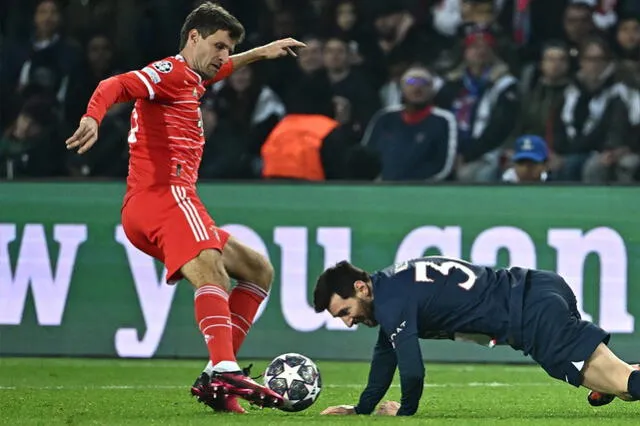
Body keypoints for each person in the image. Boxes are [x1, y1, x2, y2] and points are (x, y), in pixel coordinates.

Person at [64, 1, 305, 414]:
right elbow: (114, 85)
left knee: (257, 270)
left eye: (228, 49)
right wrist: (93, 117)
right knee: (212, 266)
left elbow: (221, 70)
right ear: (193, 37)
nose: (223, 57)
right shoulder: (170, 72)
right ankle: (225, 370)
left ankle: (219, 379)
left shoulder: (193, 76)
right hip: (164, 195)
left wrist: (260, 52)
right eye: (218, 46)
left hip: (155, 205)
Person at [313, 256, 640, 416]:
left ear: (360, 288)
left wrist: (406, 409)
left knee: (626, 385)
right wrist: (363, 408)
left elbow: (412, 369)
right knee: (614, 384)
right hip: (537, 288)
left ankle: (619, 379)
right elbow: (386, 354)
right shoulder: (389, 289)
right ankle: (613, 380)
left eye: (345, 311)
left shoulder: (391, 302)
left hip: (531, 313)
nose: (348, 321)